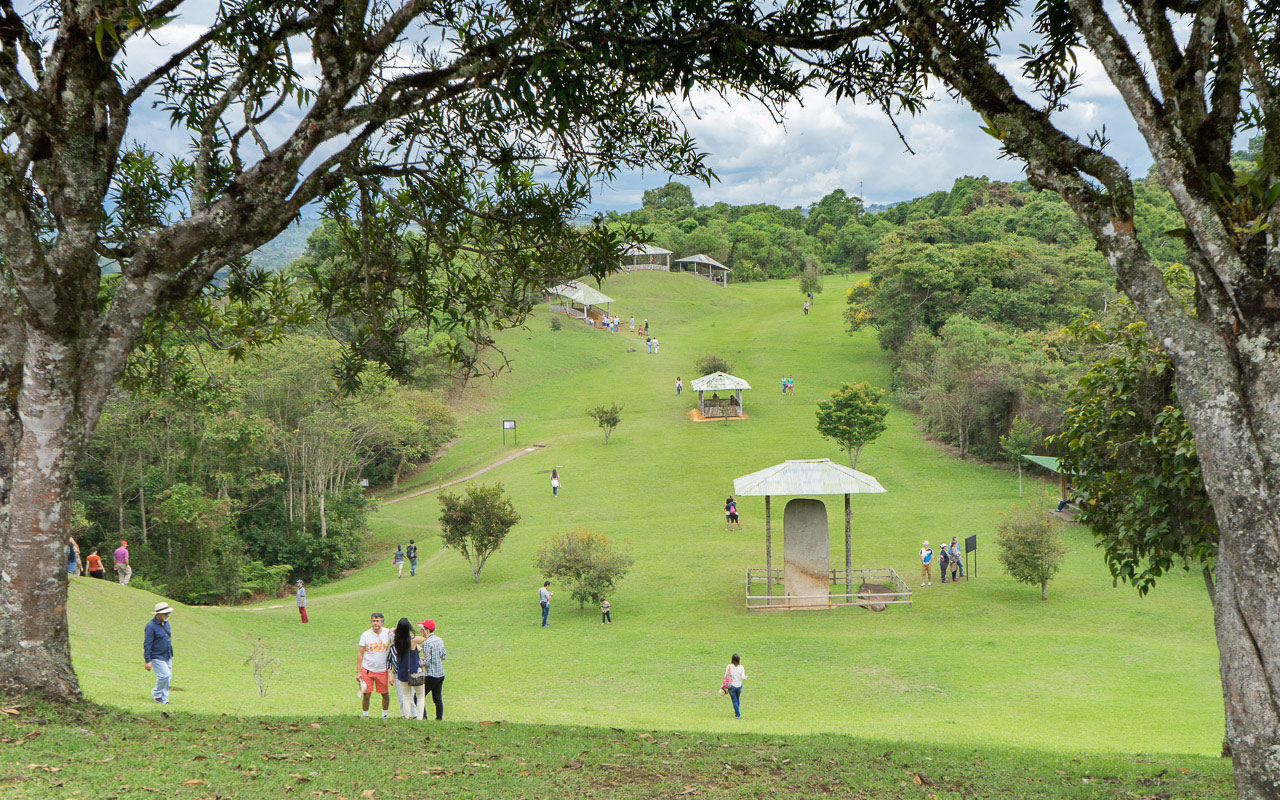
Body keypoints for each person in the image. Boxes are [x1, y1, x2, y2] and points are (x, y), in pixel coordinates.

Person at [389, 618, 427, 719]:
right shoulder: (413, 641)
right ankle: (419, 718)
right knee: (420, 696)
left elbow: (395, 633)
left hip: (402, 672)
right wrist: (423, 630)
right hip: (415, 671)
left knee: (406, 696)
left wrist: (394, 630)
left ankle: (407, 716)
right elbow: (424, 638)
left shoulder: (396, 640)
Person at [357, 612, 394, 718]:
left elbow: (397, 641)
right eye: (373, 621)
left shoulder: (387, 633)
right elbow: (360, 652)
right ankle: (365, 715)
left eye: (377, 621)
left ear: (382, 622)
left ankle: (384, 715)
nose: (375, 623)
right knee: (366, 694)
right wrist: (358, 671)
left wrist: (394, 631)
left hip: (382, 669)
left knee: (385, 693)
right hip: (368, 669)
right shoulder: (365, 635)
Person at [143, 602, 174, 704]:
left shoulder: (166, 623)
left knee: (167, 677)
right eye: (165, 613)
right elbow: (147, 643)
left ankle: (164, 698)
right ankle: (156, 694)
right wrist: (147, 660)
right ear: (158, 614)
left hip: (167, 655)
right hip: (157, 656)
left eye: (168, 613)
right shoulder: (150, 626)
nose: (168, 615)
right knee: (164, 675)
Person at [419, 619, 447, 720]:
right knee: (437, 698)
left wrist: (419, 663)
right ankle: (439, 718)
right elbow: (443, 656)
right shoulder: (439, 640)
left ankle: (424, 717)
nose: (421, 631)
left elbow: (427, 662)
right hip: (440, 674)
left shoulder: (426, 643)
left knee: (418, 697)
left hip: (431, 675)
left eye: (422, 629)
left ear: (427, 630)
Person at [724, 654, 746, 719]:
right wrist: (746, 677)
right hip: (739, 686)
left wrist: (723, 685)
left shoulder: (729, 666)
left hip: (731, 686)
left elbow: (726, 675)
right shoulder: (741, 667)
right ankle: (737, 712)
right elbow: (743, 677)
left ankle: (738, 714)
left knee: (734, 700)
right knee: (737, 699)